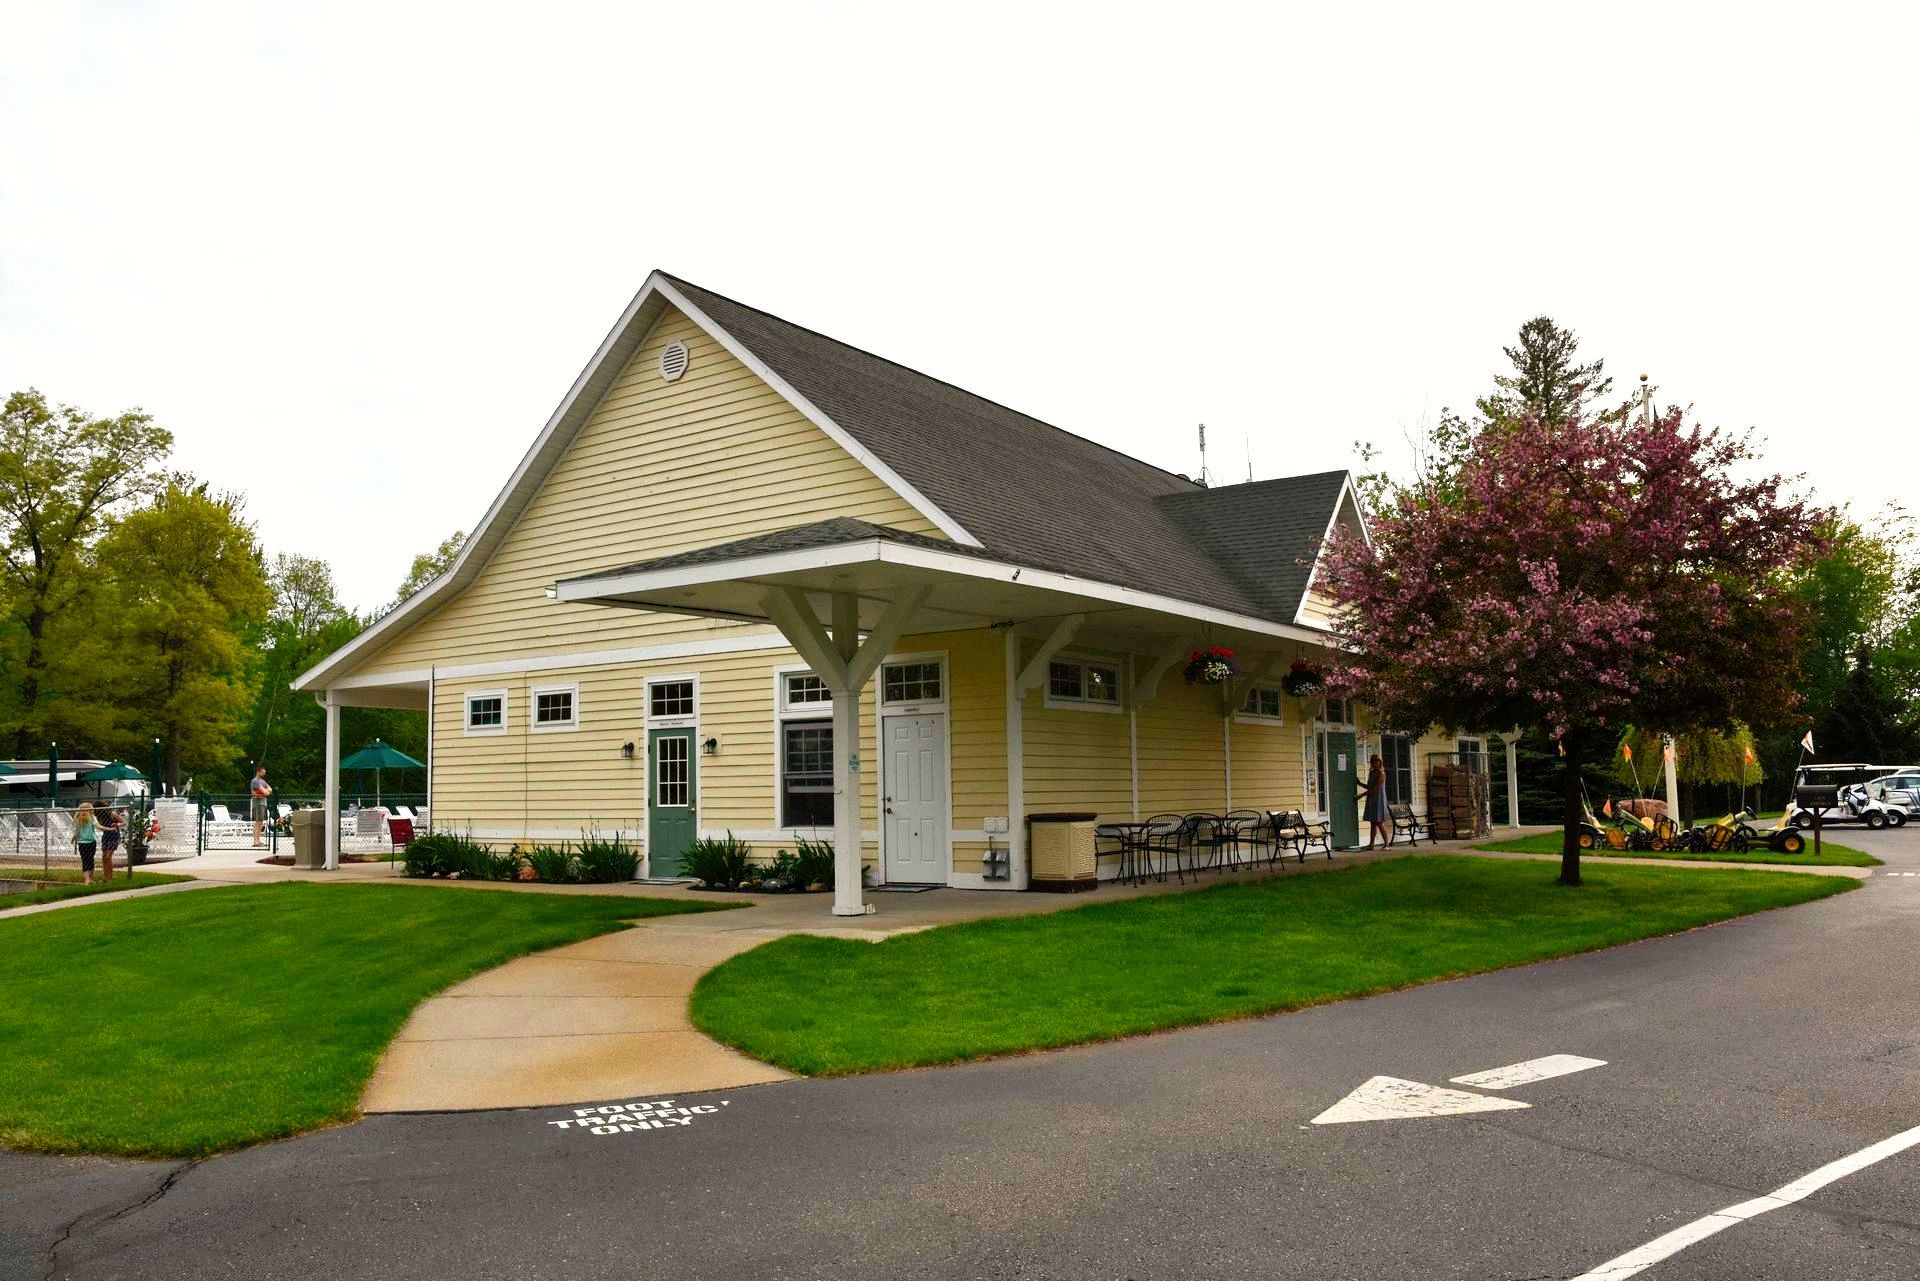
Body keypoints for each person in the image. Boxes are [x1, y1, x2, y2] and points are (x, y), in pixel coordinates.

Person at [1360, 754, 1392, 850]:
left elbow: (1375, 789)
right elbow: (1370, 787)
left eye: (1376, 760)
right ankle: (1371, 844)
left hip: (1379, 799)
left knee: (1379, 822)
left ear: (1380, 762)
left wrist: (1360, 796)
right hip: (1371, 799)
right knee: (1373, 823)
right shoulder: (1372, 773)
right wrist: (1359, 783)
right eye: (1373, 760)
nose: (1374, 762)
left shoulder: (1381, 773)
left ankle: (1387, 844)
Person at [72, 801, 99, 884]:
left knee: (85, 860)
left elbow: (76, 832)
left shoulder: (78, 819)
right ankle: (89, 878)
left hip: (82, 843)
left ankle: (87, 879)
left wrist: (73, 839)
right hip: (91, 842)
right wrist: (107, 829)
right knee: (91, 860)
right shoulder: (92, 818)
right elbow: (97, 826)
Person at [97, 804, 123, 880]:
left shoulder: (112, 813)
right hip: (105, 836)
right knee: (104, 857)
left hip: (114, 836)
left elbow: (124, 822)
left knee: (108, 857)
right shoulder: (100, 816)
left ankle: (109, 877)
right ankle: (105, 876)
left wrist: (117, 824)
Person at [250, 766, 273, 847]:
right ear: (258, 772)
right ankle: (255, 841)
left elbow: (270, 789)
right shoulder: (255, 781)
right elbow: (266, 792)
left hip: (263, 803)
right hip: (258, 804)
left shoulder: (263, 781)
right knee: (258, 822)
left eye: (264, 772)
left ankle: (258, 840)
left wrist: (262, 792)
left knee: (261, 822)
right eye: (263, 772)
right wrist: (264, 791)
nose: (264, 774)